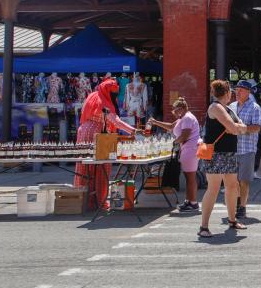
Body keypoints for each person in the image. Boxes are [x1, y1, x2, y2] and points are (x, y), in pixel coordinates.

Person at [74, 78, 138, 210]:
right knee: (102, 166)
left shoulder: (93, 95)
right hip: (97, 135)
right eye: (113, 93)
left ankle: (84, 199)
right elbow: (116, 121)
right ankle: (98, 200)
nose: (114, 96)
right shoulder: (104, 102)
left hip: (84, 132)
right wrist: (133, 131)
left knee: (85, 167)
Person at [198, 79, 246, 238]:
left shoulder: (227, 109)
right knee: (213, 188)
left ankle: (232, 220)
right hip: (216, 154)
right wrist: (237, 128)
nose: (232, 94)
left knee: (232, 186)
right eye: (231, 91)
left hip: (229, 153)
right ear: (226, 93)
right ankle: (203, 226)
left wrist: (237, 128)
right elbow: (235, 127)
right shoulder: (216, 107)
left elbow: (241, 127)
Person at [148, 98, 201, 212]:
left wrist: (173, 143)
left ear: (181, 109)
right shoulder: (183, 118)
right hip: (188, 149)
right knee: (188, 177)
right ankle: (189, 201)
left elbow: (185, 136)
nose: (175, 114)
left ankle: (193, 203)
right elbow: (171, 126)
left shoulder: (187, 118)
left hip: (190, 149)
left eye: (175, 111)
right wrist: (156, 122)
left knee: (190, 177)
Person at [230, 80, 261, 219]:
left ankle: (242, 206)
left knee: (244, 180)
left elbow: (256, 127)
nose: (237, 92)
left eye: (241, 90)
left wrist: (241, 128)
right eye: (236, 90)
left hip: (247, 149)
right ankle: (236, 203)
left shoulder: (255, 108)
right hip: (232, 149)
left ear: (248, 92)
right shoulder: (231, 106)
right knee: (233, 180)